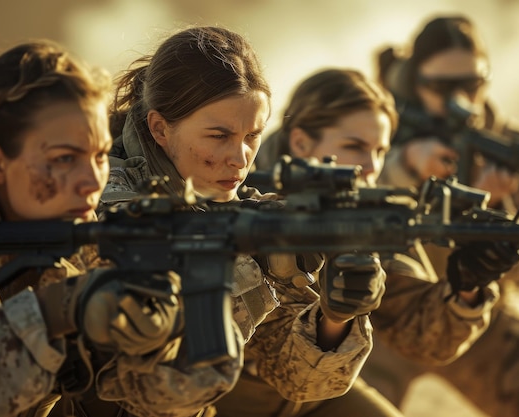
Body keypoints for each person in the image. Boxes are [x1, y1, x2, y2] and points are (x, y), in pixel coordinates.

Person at [102, 26, 386, 416]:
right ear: (159, 128)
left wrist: (335, 317)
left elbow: (296, 380)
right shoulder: (105, 201)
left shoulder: (235, 209)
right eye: (219, 135)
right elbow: (156, 387)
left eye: (252, 135)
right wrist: (250, 268)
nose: (240, 157)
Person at [213, 67, 519, 417]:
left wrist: (468, 285)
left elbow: (421, 334)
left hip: (315, 393)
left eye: (380, 150)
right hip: (220, 396)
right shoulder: (233, 193)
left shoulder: (366, 214)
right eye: (354, 147)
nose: (371, 167)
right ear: (300, 142)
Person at [0, 40, 225, 417]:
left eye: (100, 155)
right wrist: (59, 312)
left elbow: (158, 401)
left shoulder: (75, 237)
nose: (92, 180)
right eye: (64, 158)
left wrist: (159, 338)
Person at [365, 14, 519, 417]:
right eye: (442, 87)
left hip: (481, 310)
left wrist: (493, 209)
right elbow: (333, 211)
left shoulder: (509, 144)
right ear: (414, 80)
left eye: (472, 84)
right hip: (385, 311)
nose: (461, 99)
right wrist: (403, 167)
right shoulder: (376, 130)